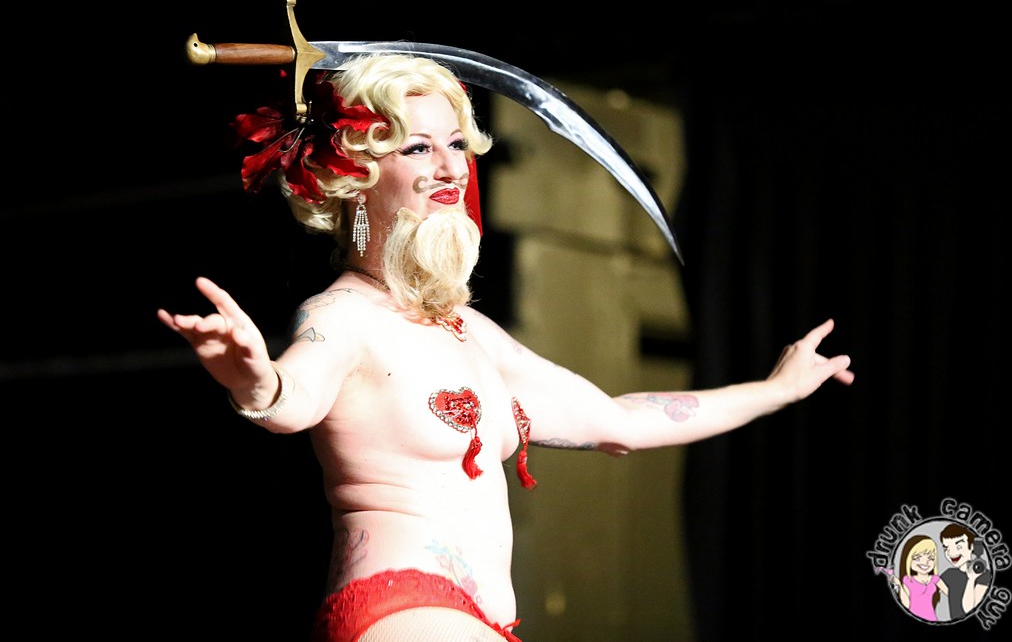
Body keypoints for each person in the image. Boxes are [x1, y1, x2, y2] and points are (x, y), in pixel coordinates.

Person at [157, 53, 855, 641]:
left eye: (456, 144)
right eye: (418, 148)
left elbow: (618, 420)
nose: (450, 168)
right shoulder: (342, 315)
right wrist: (254, 379)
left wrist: (775, 390)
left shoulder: (467, 330)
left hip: (473, 619)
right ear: (358, 176)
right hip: (402, 609)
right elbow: (293, 395)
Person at [939, 523, 992, 619]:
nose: (951, 553)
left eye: (958, 547)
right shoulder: (949, 574)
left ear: (971, 546)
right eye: (946, 548)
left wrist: (971, 579)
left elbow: (969, 609)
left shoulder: (984, 575)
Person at [890, 534, 948, 621]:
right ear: (908, 559)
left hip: (931, 618)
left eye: (931, 558)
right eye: (917, 558)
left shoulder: (935, 579)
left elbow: (951, 594)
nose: (925, 562)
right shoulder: (908, 580)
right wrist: (899, 585)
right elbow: (906, 604)